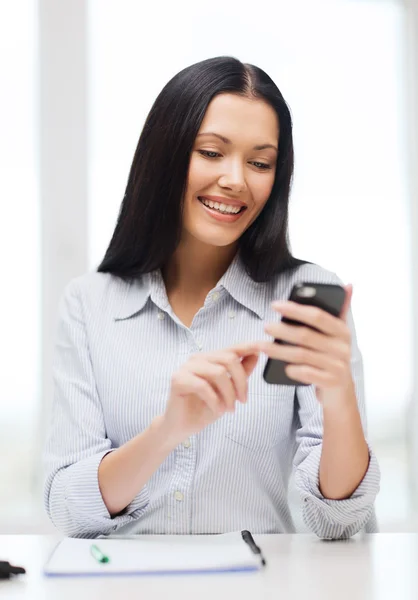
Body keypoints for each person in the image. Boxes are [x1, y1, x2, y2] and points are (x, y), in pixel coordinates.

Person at [44, 56, 380, 539]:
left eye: (260, 163)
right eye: (211, 152)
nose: (236, 180)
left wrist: (340, 399)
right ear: (166, 154)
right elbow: (71, 511)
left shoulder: (303, 299)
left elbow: (337, 521)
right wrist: (169, 430)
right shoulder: (89, 304)